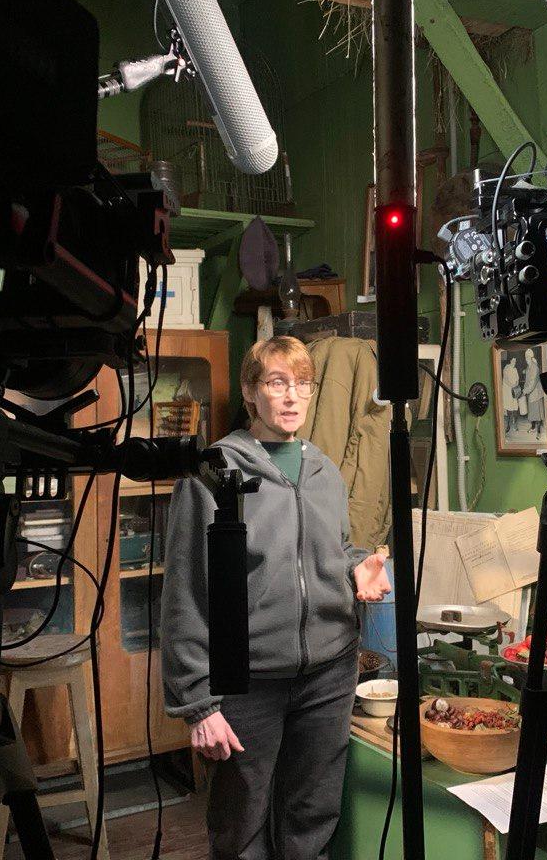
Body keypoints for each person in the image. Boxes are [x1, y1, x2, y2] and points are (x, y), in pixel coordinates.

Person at [160, 336, 392, 860]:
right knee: (241, 825)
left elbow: (331, 551)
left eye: (302, 384)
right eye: (277, 383)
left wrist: (356, 566)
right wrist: (197, 704)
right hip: (249, 679)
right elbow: (185, 593)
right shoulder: (213, 473)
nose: (292, 396)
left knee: (311, 816)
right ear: (250, 391)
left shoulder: (324, 471)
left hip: (329, 672)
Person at [522, 348, 544, 439]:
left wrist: (525, 391)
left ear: (530, 357)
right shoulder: (529, 366)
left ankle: (539, 432)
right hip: (531, 393)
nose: (526, 359)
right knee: (532, 412)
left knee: (537, 414)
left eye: (527, 357)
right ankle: (533, 427)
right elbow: (528, 377)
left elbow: (532, 382)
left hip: (536, 393)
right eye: (525, 357)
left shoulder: (535, 367)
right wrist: (524, 371)